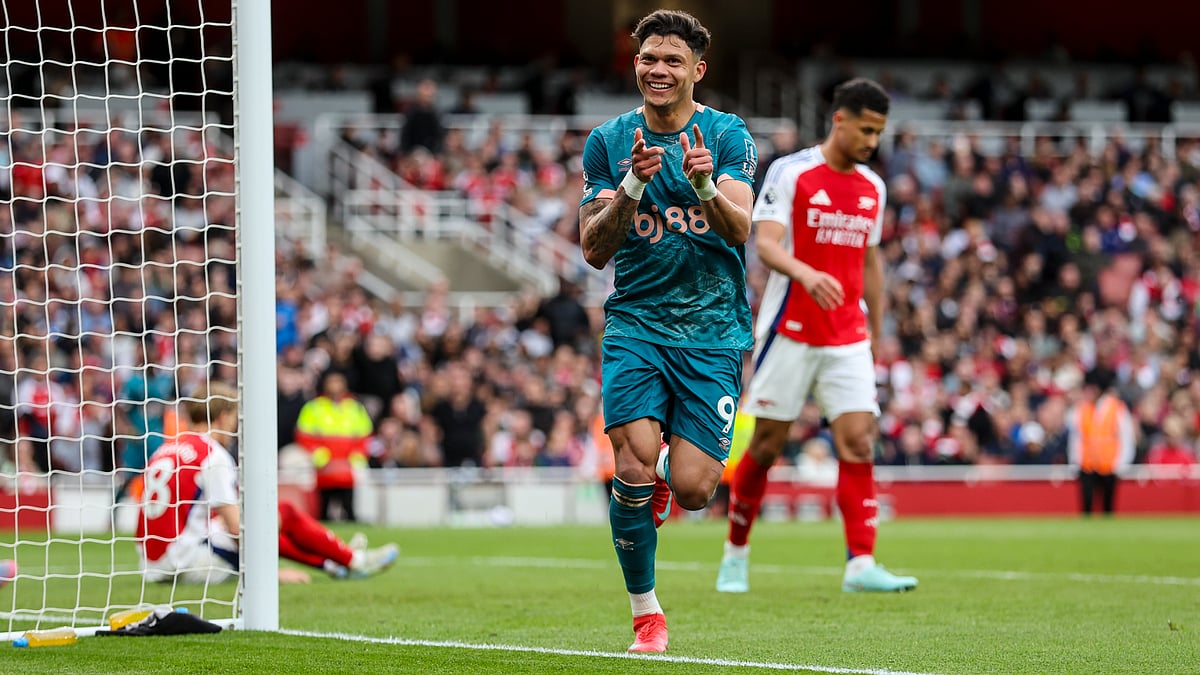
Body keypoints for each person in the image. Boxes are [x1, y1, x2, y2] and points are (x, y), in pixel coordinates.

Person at [578, 9, 757, 653]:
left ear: (697, 71)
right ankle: (645, 614)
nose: (659, 70)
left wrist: (704, 182)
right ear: (636, 64)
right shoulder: (607, 141)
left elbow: (740, 231)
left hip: (712, 331)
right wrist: (631, 183)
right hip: (637, 325)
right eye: (649, 58)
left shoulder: (728, 134)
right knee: (630, 462)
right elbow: (594, 249)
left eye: (673, 61)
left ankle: (658, 487)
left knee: (693, 488)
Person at [716, 78, 918, 595]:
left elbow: (870, 260)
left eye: (879, 132)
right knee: (766, 444)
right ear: (840, 120)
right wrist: (806, 274)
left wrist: (875, 331)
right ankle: (736, 552)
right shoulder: (792, 172)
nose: (872, 141)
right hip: (790, 329)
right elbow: (765, 245)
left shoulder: (873, 186)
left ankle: (860, 564)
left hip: (847, 334)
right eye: (866, 129)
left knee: (858, 441)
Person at [136, 382, 399, 584]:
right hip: (186, 562)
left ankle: (334, 563)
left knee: (258, 520)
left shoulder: (166, 449)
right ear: (224, 417)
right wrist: (269, 576)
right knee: (279, 514)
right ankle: (354, 560)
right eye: (234, 418)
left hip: (152, 565)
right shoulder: (212, 454)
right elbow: (238, 530)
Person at [294, 371, 373, 521]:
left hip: (346, 467)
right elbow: (303, 436)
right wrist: (319, 455)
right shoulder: (313, 407)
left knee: (349, 507)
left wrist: (357, 455)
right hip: (325, 467)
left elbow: (365, 436)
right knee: (323, 510)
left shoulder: (355, 408)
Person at [1066, 367, 1135, 516]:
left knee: (1108, 508)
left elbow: (1126, 437)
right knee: (1086, 508)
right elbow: (1076, 438)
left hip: (1109, 465)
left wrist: (1122, 463)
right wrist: (1074, 462)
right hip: (1087, 465)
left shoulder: (1117, 408)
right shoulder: (1081, 408)